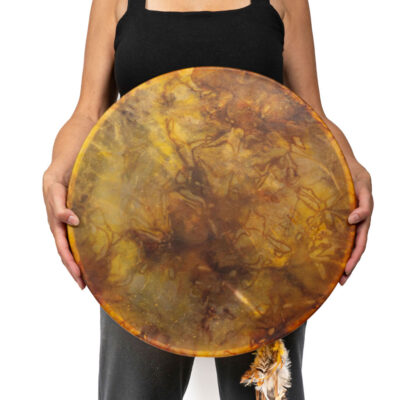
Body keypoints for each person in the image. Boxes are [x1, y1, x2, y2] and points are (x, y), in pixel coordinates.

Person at [42, 0, 374, 399]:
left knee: (264, 395)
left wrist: (352, 168)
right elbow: (89, 112)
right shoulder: (114, 2)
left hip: (264, 253)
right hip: (141, 251)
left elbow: (310, 118)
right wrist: (57, 170)